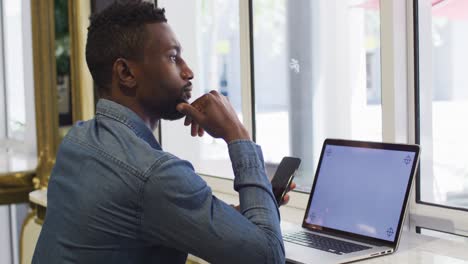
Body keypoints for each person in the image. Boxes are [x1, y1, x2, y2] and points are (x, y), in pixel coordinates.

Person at [33, 1, 292, 263]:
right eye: (172, 57)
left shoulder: (77, 140)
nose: (188, 71)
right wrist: (237, 134)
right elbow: (268, 257)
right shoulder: (154, 174)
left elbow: (147, 211)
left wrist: (256, 208)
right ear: (125, 72)